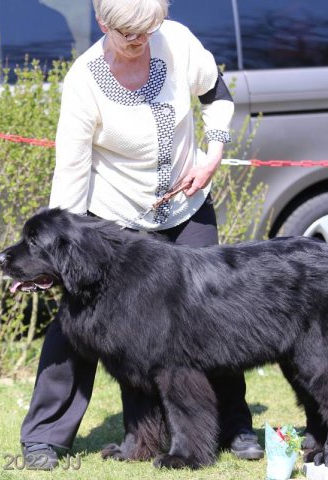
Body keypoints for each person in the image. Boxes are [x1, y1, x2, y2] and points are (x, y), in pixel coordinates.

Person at [21, 0, 263, 469]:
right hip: (116, 223)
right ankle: (45, 437)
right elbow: (71, 172)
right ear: (102, 23)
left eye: (149, 31)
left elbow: (217, 97)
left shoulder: (179, 41)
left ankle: (235, 427)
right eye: (129, 34)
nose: (141, 41)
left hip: (187, 208)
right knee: (77, 323)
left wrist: (213, 155)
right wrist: (61, 252)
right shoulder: (84, 81)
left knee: (216, 316)